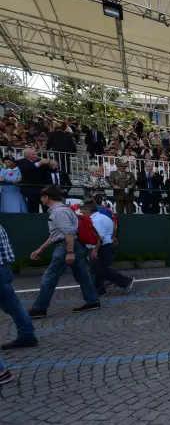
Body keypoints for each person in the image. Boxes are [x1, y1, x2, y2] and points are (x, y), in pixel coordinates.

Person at [27, 185, 101, 319]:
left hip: (66, 246)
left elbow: (68, 233)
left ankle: (39, 309)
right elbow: (59, 233)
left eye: (42, 197)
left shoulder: (59, 212)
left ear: (47, 197)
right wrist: (41, 249)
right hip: (73, 245)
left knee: (49, 277)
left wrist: (69, 252)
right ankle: (92, 301)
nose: (41, 199)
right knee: (82, 275)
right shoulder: (63, 210)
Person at [0, 224, 37, 365]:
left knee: (13, 305)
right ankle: (26, 334)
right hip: (4, 268)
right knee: (12, 304)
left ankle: (26, 335)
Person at [81, 199, 134, 296]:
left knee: (102, 270)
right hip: (105, 246)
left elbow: (99, 237)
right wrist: (113, 237)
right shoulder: (103, 217)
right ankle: (99, 290)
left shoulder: (95, 220)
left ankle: (125, 282)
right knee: (97, 270)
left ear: (88, 210)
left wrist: (94, 250)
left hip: (101, 247)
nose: (81, 212)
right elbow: (114, 225)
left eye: (83, 210)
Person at [17, 148, 53, 213]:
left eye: (36, 154)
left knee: (47, 209)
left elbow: (51, 171)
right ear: (26, 155)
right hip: (31, 190)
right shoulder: (21, 161)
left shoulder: (40, 160)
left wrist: (50, 164)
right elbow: (26, 170)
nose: (35, 156)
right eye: (33, 154)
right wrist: (39, 163)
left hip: (43, 189)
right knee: (33, 209)